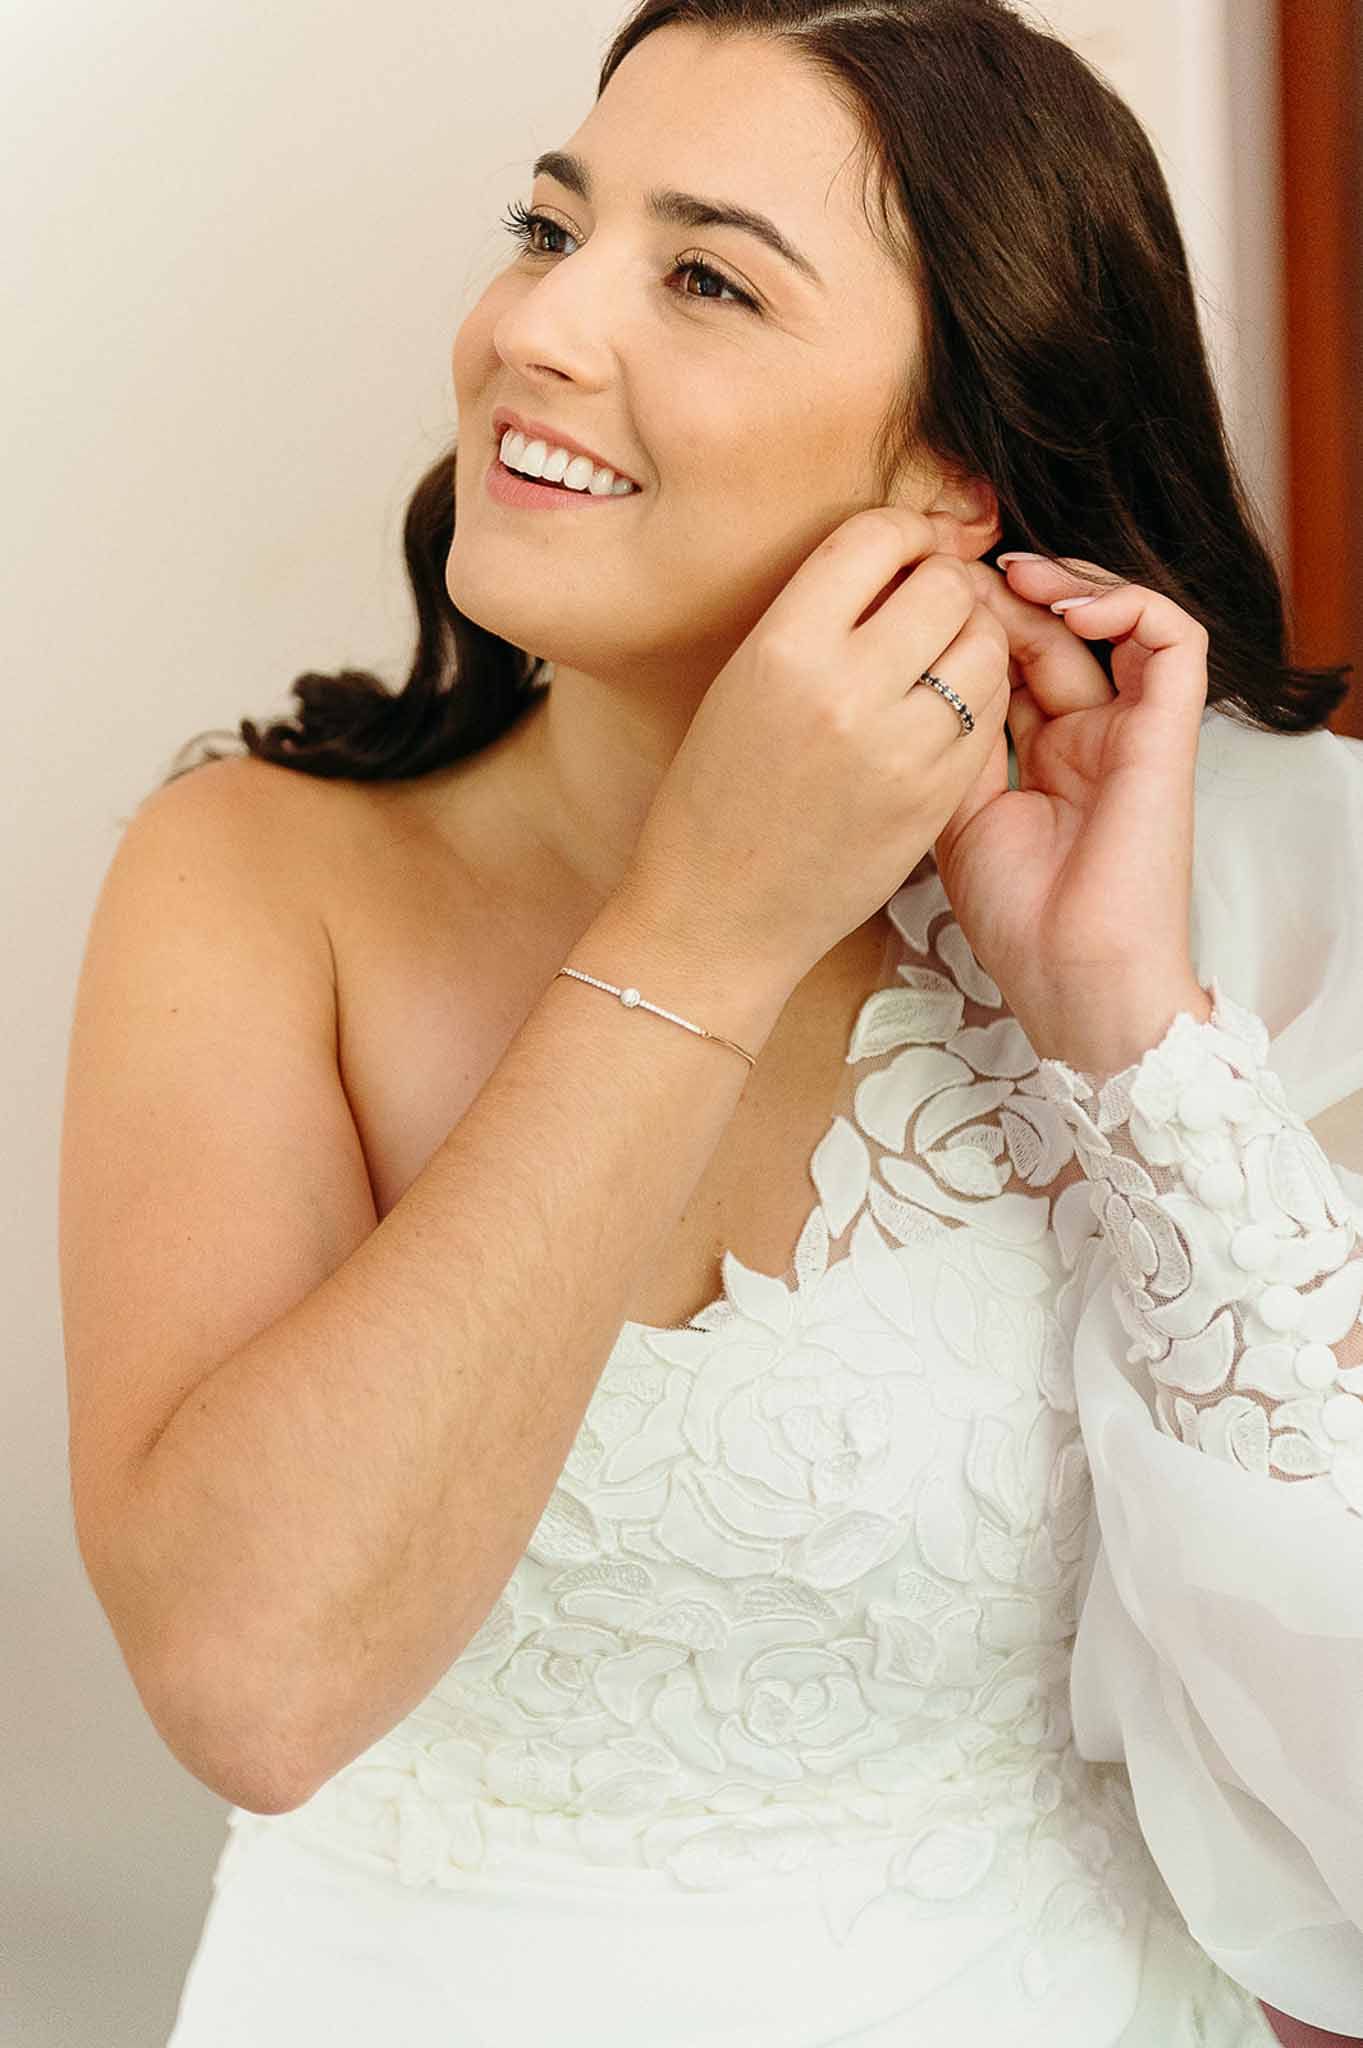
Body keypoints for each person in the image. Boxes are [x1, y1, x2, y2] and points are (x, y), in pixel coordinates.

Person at [58, 2, 1363, 2042]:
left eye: (700, 276)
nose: (535, 332)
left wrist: (1127, 1032)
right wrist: (707, 918)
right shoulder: (254, 877)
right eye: (548, 226)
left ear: (960, 467)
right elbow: (254, 1680)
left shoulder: (1243, 887)